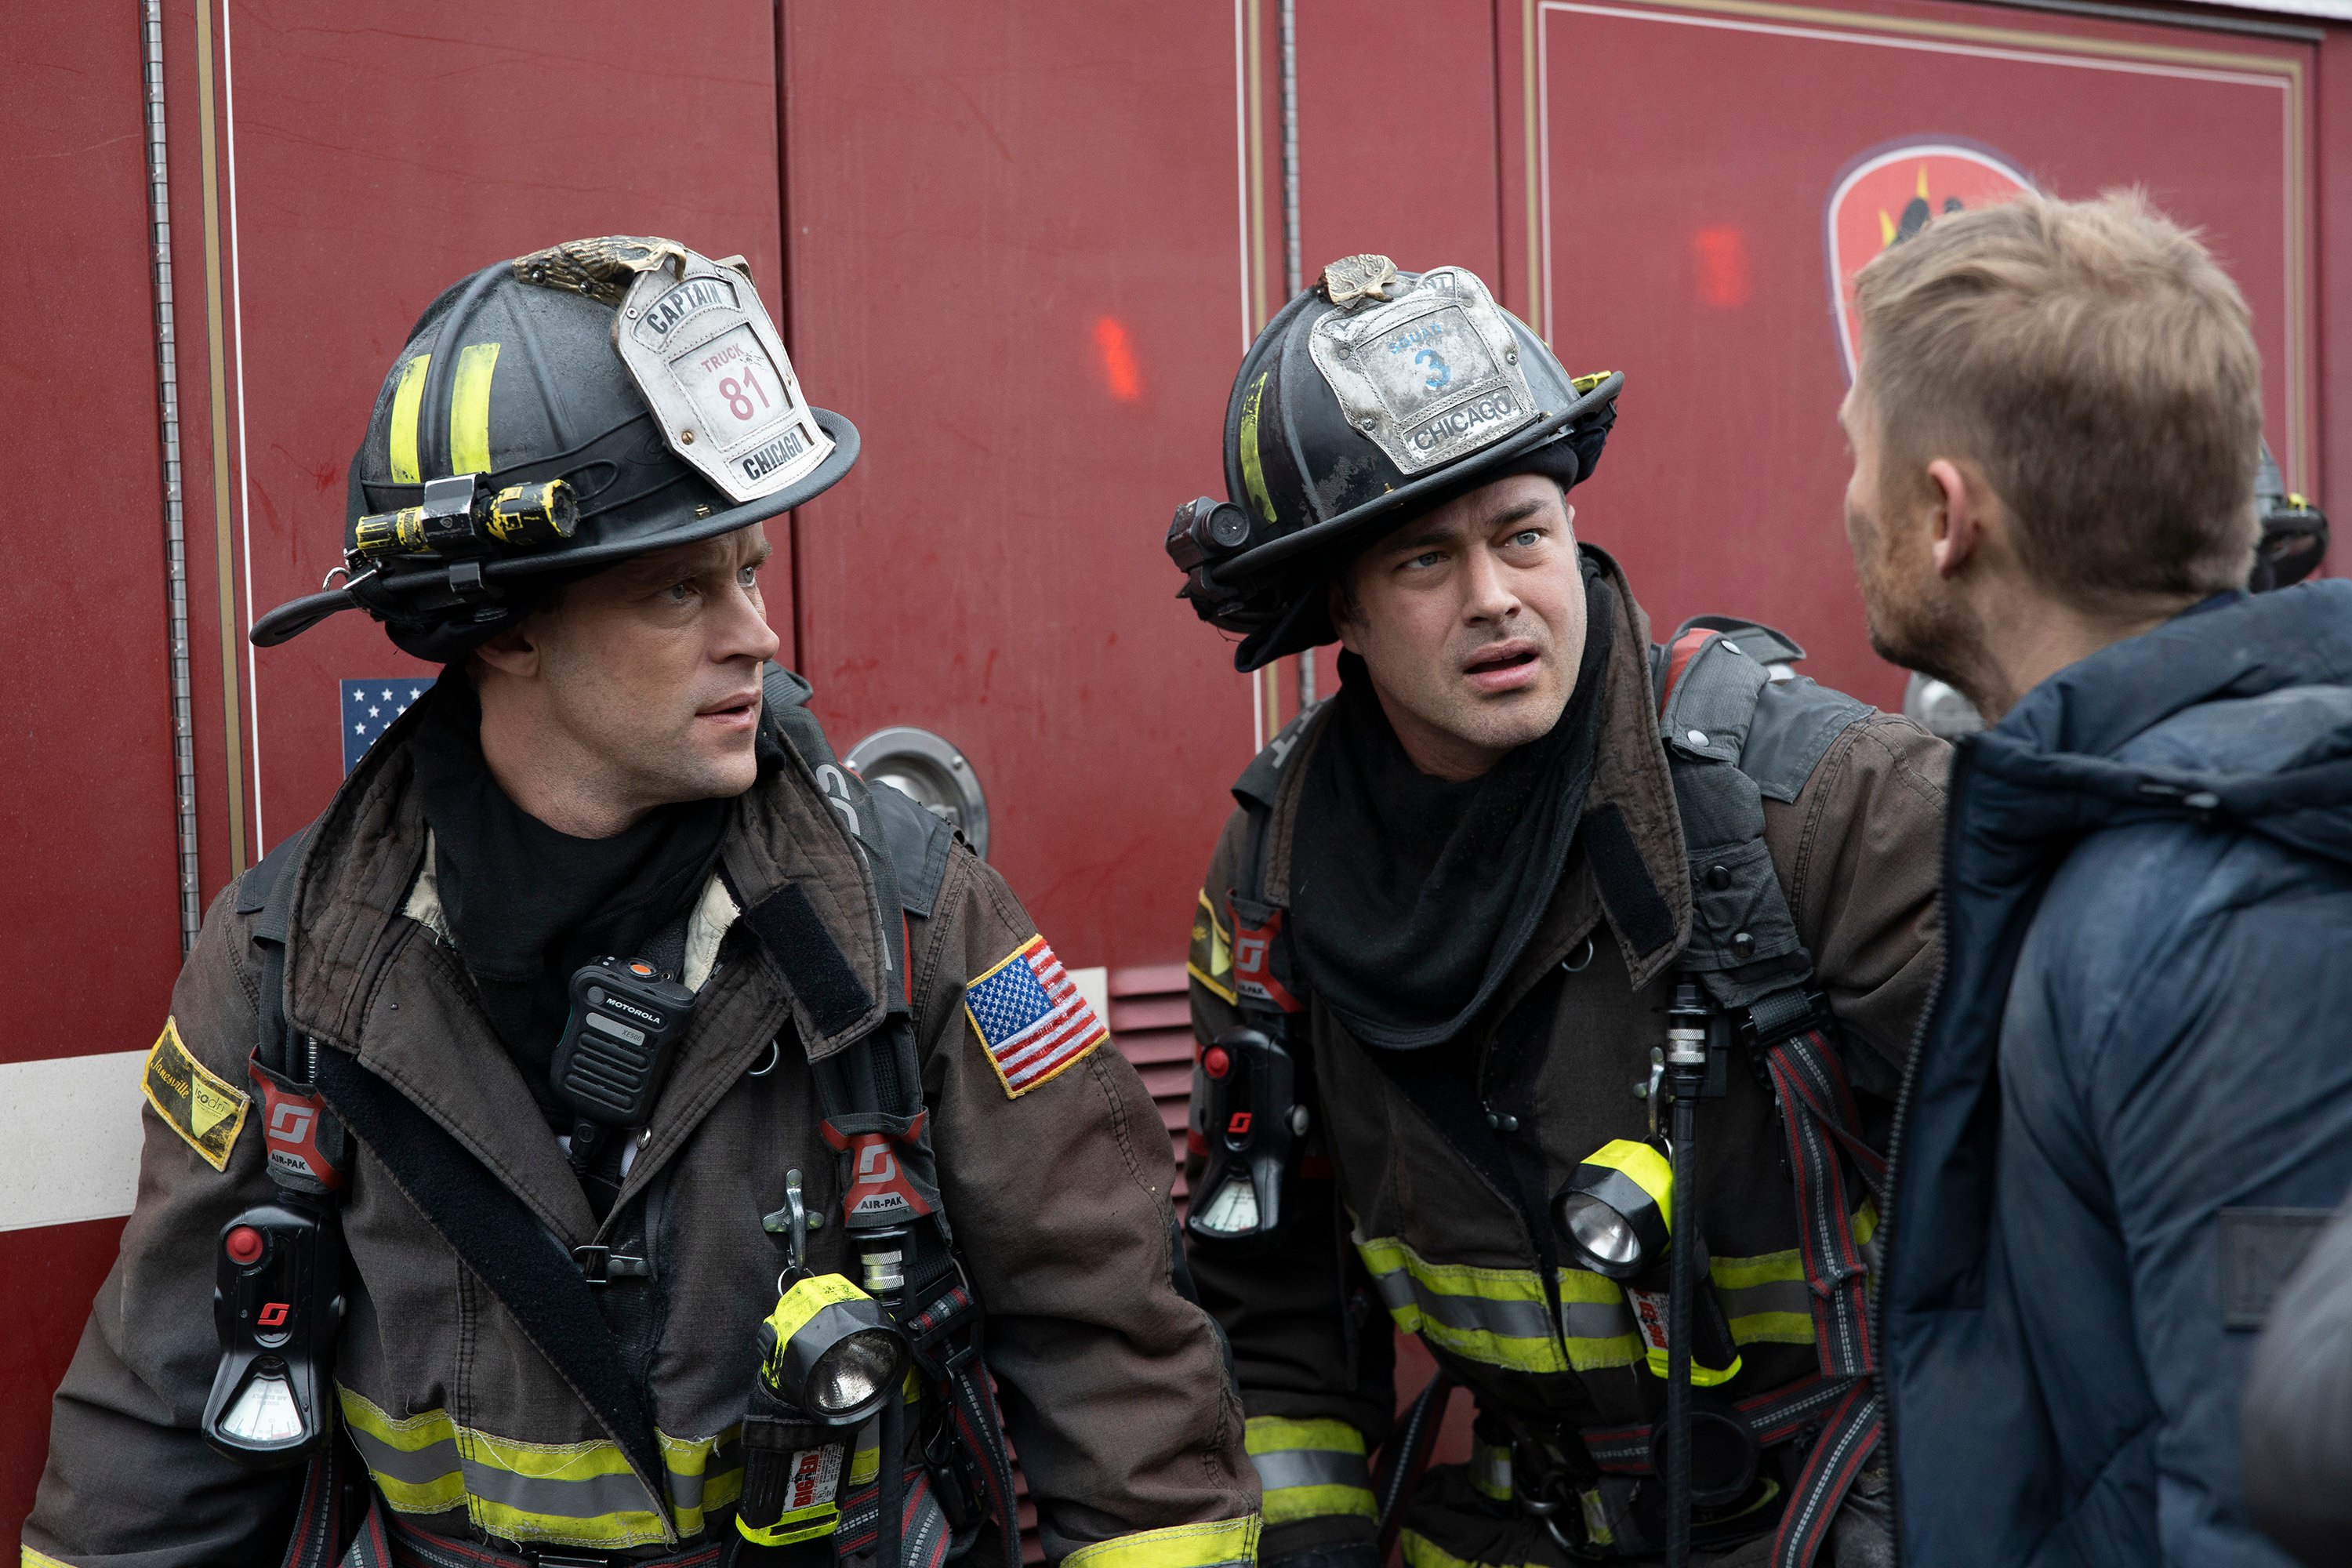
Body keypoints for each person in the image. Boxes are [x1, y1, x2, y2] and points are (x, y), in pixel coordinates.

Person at [27, 238, 1258, 1568]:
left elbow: (1120, 1374)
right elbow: (157, 1435)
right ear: (506, 627)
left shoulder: (908, 924)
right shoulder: (288, 965)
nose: (758, 635)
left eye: (750, 570)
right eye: (682, 587)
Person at [1163, 254, 1947, 1568]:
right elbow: (1274, 1293)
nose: (1495, 597)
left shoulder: (1819, 809)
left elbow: (2059, 1208)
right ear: (1340, 609)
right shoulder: (1271, 883)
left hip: (1830, 1516)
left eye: (1524, 534)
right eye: (1425, 558)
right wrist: (1310, 1549)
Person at [1842, 191, 2352, 1566]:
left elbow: (2279, 1510)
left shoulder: (2223, 912)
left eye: (1863, 457)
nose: (1848, 502)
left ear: (1947, 513)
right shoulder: (2124, 833)